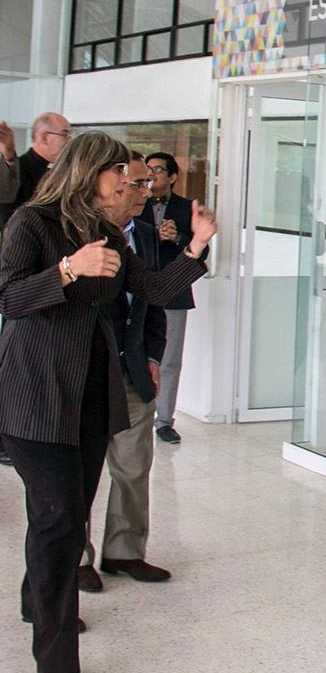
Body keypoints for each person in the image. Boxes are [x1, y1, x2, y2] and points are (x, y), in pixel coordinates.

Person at [0, 132, 216, 673]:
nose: (128, 180)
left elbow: (157, 291)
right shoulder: (32, 223)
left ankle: (34, 600)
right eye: (118, 171)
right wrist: (67, 270)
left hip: (93, 393)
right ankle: (56, 659)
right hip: (37, 392)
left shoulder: (109, 234)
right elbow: (8, 298)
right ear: (87, 171)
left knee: (65, 516)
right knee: (58, 521)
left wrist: (195, 247)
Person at [79, 152, 172, 593]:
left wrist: (153, 357)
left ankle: (124, 551)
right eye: (136, 183)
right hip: (89, 370)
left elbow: (154, 300)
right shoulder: (79, 235)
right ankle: (77, 558)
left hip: (134, 367)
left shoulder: (147, 234)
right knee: (81, 473)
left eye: (146, 183)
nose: (144, 191)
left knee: (134, 467)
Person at [0, 114, 72, 467]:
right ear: (43, 137)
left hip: (54, 276)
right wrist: (8, 157)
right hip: (24, 275)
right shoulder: (23, 168)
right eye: (65, 134)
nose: (69, 140)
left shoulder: (61, 172)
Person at [140, 152, 197, 444]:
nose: (151, 174)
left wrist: (176, 238)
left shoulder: (187, 208)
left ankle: (164, 421)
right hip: (138, 289)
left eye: (158, 170)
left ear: (172, 176)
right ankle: (136, 419)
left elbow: (200, 251)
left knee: (170, 360)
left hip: (174, 293)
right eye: (148, 169)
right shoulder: (135, 202)